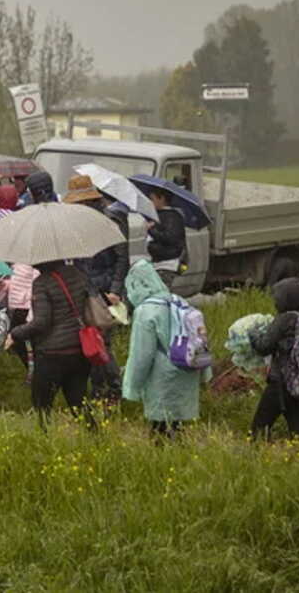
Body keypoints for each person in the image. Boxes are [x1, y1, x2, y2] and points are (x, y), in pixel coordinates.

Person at [122, 259, 210, 440]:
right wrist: (205, 373)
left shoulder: (145, 311)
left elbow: (142, 355)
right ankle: (179, 458)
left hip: (162, 376)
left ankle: (166, 463)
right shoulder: (178, 301)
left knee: (160, 428)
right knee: (176, 426)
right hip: (186, 366)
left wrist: (132, 386)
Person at [7, 260, 94, 427]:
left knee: (42, 405)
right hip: (79, 348)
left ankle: (45, 443)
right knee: (78, 402)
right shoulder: (77, 274)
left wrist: (15, 334)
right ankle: (95, 440)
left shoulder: (42, 283)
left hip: (52, 354)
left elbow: (41, 322)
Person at [65, 174, 128, 401]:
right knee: (91, 341)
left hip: (105, 292)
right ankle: (98, 389)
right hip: (86, 288)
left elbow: (122, 258)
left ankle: (113, 390)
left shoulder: (111, 220)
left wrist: (116, 290)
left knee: (104, 344)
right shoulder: (78, 224)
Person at [249, 277, 299, 440]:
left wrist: (253, 333)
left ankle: (256, 460)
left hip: (280, 384)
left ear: (285, 299)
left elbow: (263, 347)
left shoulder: (284, 320)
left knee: (259, 427)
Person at [145, 187, 186, 290]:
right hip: (159, 263)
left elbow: (170, 238)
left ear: (161, 199)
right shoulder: (160, 215)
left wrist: (152, 229)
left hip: (167, 264)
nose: (150, 202)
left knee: (161, 295)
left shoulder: (172, 217)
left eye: (152, 199)